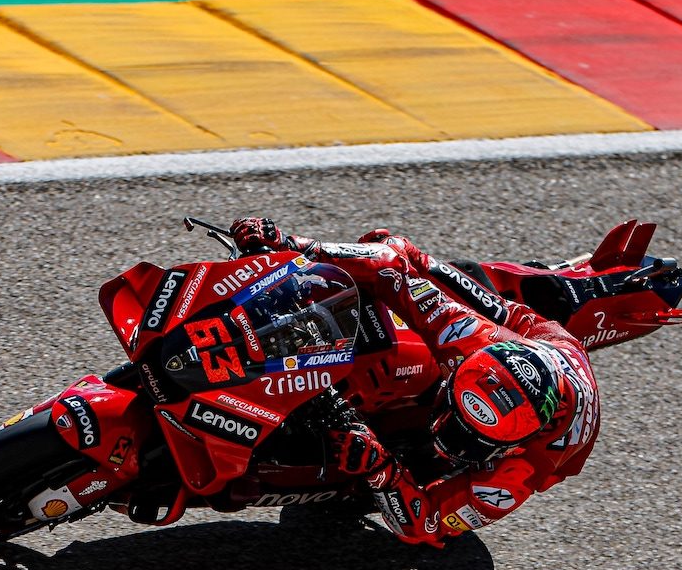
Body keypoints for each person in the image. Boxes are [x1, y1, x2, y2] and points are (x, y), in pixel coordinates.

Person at [229, 217, 600, 547]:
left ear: (514, 445)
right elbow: (391, 268)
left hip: (554, 412)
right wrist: (292, 244)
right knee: (409, 257)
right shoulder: (468, 336)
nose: (445, 432)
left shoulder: (523, 468)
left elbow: (425, 527)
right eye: (452, 412)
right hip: (533, 332)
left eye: (469, 436)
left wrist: (381, 471)